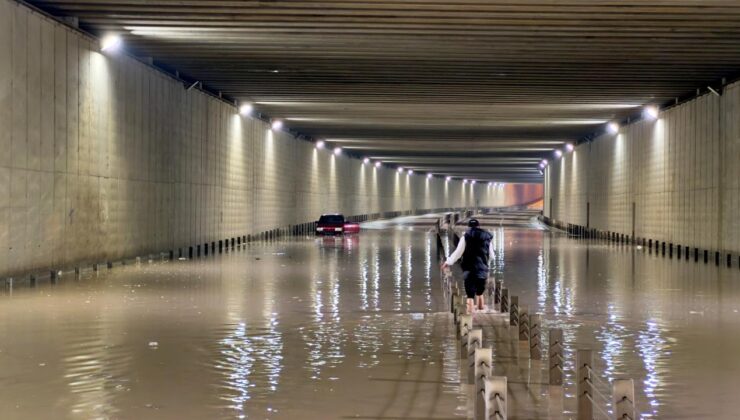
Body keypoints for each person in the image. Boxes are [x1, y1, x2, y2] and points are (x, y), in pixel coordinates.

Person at [441, 218, 494, 313]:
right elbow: (492, 256)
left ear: (469, 227)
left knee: (470, 295)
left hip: (469, 269)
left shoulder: (465, 237)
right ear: (478, 226)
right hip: (482, 270)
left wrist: (448, 262)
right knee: (479, 292)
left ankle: (471, 318)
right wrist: (486, 265)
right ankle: (481, 312)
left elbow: (458, 253)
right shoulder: (487, 237)